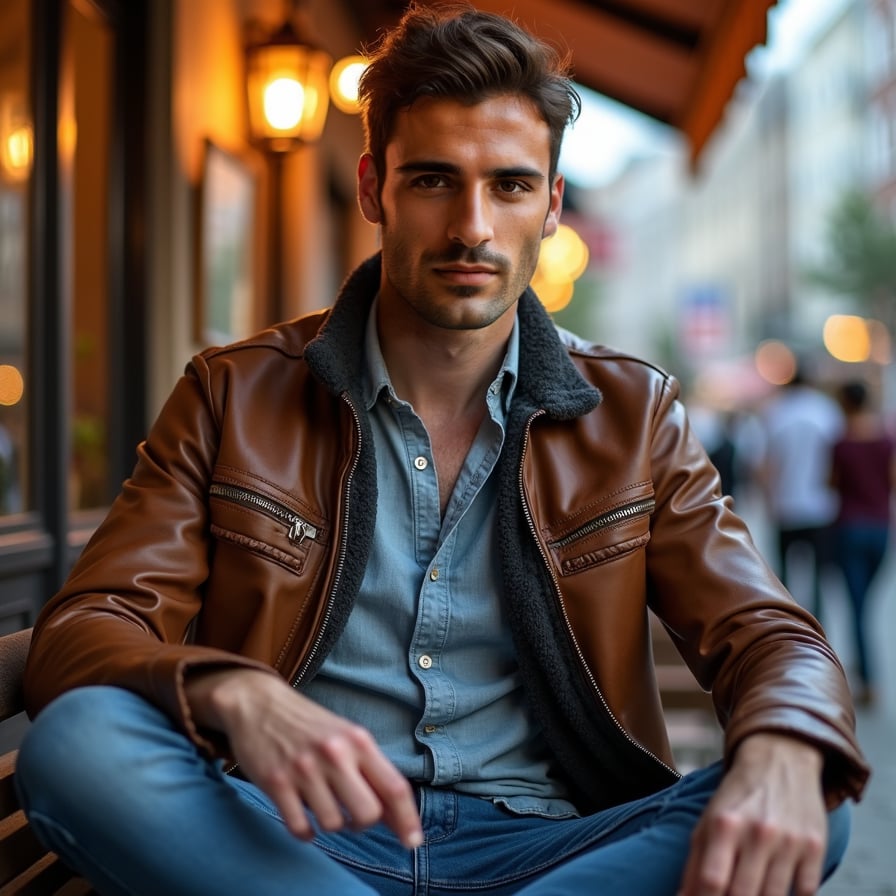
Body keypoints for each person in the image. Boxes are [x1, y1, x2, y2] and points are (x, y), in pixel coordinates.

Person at [16, 6, 868, 896]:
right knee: (74, 746)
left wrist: (782, 745)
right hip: (292, 835)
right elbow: (83, 631)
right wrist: (231, 693)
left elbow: (767, 635)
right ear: (372, 188)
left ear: (550, 203)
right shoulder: (234, 392)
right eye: (433, 181)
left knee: (810, 790)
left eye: (508, 185)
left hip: (548, 849)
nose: (472, 227)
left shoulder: (633, 410)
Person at [829, 380, 896, 709]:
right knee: (866, 605)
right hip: (881, 529)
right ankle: (867, 673)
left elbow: (829, 482)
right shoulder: (885, 440)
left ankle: (869, 680)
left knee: (857, 609)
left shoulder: (841, 443)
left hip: (849, 528)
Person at [759, 366, 844, 620]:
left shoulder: (776, 412)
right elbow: (837, 461)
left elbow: (764, 465)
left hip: (784, 504)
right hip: (821, 506)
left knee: (784, 577)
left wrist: (768, 500)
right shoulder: (828, 411)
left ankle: (790, 625)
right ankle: (817, 624)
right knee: (819, 574)